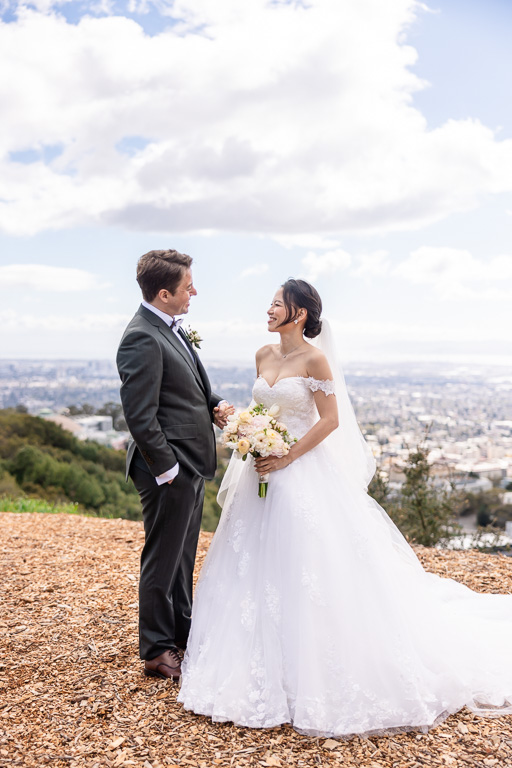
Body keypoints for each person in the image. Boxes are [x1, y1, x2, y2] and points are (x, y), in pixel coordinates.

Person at [178, 278, 512, 739]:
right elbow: (262, 411)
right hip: (261, 473)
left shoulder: (315, 358)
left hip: (298, 472)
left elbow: (330, 420)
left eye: (277, 304)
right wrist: (245, 429)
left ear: (298, 314)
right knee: (250, 565)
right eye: (271, 303)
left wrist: (287, 455)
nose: (269, 309)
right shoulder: (262, 355)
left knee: (309, 567)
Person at [117, 249, 233, 682]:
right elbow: (140, 416)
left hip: (191, 465)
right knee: (162, 558)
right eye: (188, 287)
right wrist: (169, 470)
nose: (194, 292)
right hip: (168, 470)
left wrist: (216, 404)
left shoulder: (169, 328)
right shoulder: (140, 337)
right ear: (164, 293)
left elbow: (191, 390)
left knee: (182, 557)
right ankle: (157, 651)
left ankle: (181, 633)